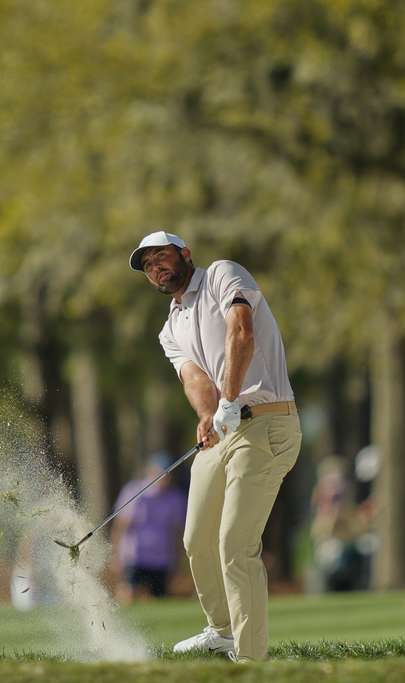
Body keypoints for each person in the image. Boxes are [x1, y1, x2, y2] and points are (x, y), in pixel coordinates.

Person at [130, 231, 303, 663]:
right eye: (148, 265)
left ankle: (249, 659)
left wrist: (228, 401)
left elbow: (240, 332)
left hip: (268, 423)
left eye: (162, 257)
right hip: (225, 432)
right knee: (196, 538)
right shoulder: (171, 325)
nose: (156, 267)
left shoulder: (223, 275)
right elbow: (194, 378)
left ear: (185, 254)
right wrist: (210, 415)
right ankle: (223, 630)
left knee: (234, 543)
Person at [110, 450, 189, 603]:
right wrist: (115, 555)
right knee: (127, 595)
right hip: (134, 556)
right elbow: (121, 526)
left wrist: (178, 563)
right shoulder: (133, 491)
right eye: (162, 472)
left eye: (169, 472)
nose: (165, 477)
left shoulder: (176, 498)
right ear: (150, 471)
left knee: (159, 600)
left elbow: (178, 533)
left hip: (161, 558)